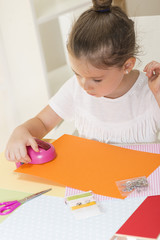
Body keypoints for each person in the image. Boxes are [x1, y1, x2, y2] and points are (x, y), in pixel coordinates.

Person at [5, 0, 160, 163]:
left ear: (127, 65)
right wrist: (21, 131)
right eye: (77, 73)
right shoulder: (75, 89)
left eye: (96, 79)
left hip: (145, 181)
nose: (84, 85)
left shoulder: (149, 92)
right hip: (91, 180)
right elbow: (43, 122)